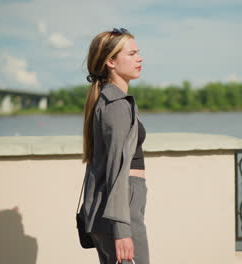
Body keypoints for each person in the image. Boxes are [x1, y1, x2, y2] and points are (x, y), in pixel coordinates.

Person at [80, 28, 149, 264]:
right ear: (111, 61)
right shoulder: (117, 105)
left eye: (138, 52)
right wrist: (122, 230)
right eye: (131, 54)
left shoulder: (111, 100)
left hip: (117, 209)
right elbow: (116, 171)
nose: (139, 58)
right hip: (121, 211)